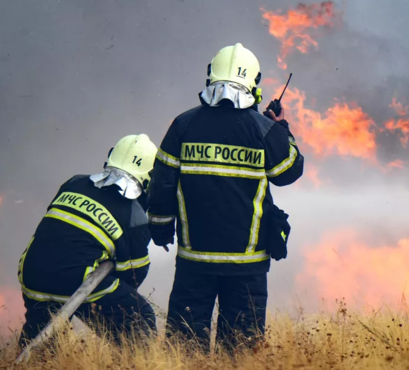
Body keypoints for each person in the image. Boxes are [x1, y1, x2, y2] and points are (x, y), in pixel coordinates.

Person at [147, 43, 304, 352]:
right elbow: (288, 172)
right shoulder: (264, 129)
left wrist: (161, 228)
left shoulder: (183, 125)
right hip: (247, 266)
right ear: (254, 84)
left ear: (211, 76)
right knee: (240, 352)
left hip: (195, 261)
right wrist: (280, 126)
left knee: (184, 348)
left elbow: (162, 185)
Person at [17, 134, 158, 347]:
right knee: (139, 316)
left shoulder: (73, 183)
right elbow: (134, 277)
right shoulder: (135, 217)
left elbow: (60, 233)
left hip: (31, 273)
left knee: (42, 341)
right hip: (76, 281)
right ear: (148, 178)